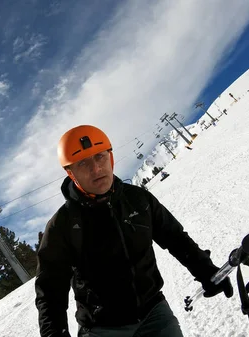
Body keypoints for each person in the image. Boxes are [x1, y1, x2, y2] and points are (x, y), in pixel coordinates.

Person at [35, 125, 233, 337]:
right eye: (83, 163)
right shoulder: (62, 225)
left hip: (154, 314)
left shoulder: (138, 200)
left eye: (100, 157)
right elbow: (50, 291)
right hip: (102, 328)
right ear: (70, 172)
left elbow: (175, 238)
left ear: (110, 157)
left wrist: (206, 270)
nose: (96, 169)